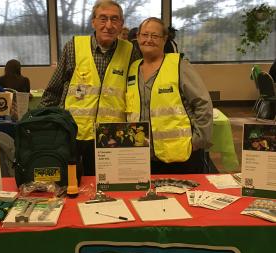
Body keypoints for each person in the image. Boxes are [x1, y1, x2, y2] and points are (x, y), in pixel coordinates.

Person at [40, 0, 141, 176]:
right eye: (103, 19)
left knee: (107, 188)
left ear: (121, 24)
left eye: (114, 19)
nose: (108, 25)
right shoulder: (74, 47)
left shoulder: (131, 52)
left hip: (112, 136)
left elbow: (137, 94)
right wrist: (47, 128)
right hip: (74, 133)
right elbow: (53, 91)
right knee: (72, 185)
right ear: (93, 21)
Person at [126, 17, 213, 174]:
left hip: (181, 156)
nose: (149, 40)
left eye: (155, 36)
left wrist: (198, 141)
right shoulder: (132, 69)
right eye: (145, 35)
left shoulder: (179, 65)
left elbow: (202, 103)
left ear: (164, 39)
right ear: (138, 37)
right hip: (143, 156)